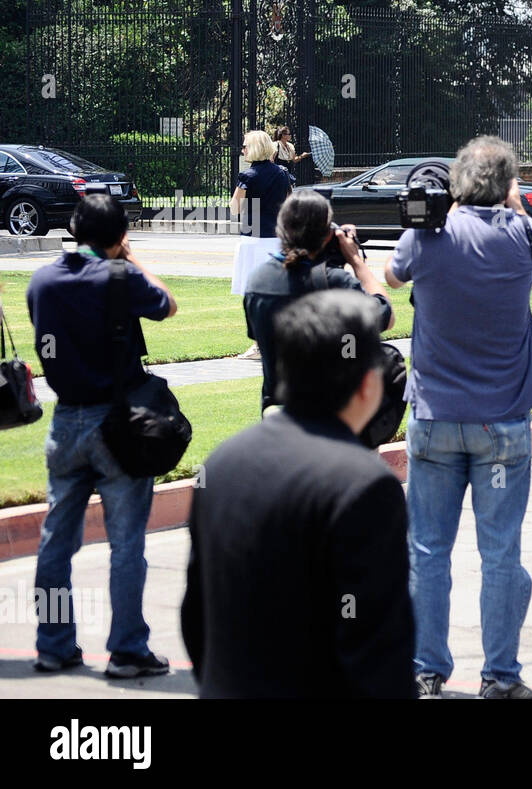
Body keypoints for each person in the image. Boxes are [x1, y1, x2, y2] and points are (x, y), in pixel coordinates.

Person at [385, 135, 532, 700]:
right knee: (500, 553)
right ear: (509, 183)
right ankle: (500, 676)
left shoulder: (429, 232)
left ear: (459, 181)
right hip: (501, 424)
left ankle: (424, 670)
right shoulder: (523, 234)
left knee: (428, 550)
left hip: (436, 418)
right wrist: (515, 211)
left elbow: (393, 278)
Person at [181, 289, 414, 698]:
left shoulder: (221, 463)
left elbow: (196, 617)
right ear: (365, 385)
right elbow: (378, 648)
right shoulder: (365, 485)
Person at [26, 193, 178, 678]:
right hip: (118, 422)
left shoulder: (42, 281)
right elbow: (168, 306)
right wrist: (131, 258)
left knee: (55, 543)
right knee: (126, 543)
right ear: (119, 237)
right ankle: (127, 649)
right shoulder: (120, 276)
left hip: (66, 420)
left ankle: (54, 644)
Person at [243, 189, 394, 413]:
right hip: (329, 415)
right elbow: (386, 315)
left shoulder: (258, 281)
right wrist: (356, 262)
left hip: (277, 412)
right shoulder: (338, 283)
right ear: (327, 235)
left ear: (281, 231)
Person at [229, 129, 294, 357]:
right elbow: (288, 205)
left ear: (254, 148)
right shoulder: (282, 173)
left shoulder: (248, 176)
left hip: (253, 239)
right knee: (276, 292)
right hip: (276, 239)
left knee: (253, 294)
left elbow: (235, 208)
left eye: (245, 145)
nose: (243, 149)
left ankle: (258, 343)